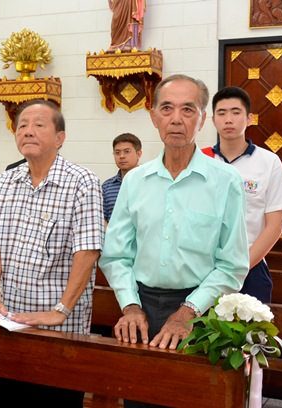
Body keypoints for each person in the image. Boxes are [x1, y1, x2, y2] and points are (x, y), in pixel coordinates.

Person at [99, 75, 249, 356]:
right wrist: (130, 306)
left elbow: (232, 265)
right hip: (139, 306)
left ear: (202, 120)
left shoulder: (225, 181)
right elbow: (116, 256)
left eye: (188, 109)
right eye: (167, 108)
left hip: (201, 309)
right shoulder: (135, 181)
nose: (176, 119)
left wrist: (187, 312)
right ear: (154, 117)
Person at [0, 100, 104, 407]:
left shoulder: (82, 182)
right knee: (9, 398)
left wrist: (61, 309)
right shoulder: (7, 180)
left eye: (38, 125)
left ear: (60, 138)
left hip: (58, 328)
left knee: (55, 401)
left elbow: (87, 251)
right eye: (22, 125)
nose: (28, 131)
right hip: (9, 320)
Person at [204, 86, 282, 303]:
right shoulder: (201, 160)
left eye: (236, 112)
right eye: (222, 113)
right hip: (204, 268)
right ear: (213, 120)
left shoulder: (268, 162)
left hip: (250, 267)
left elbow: (274, 226)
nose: (228, 120)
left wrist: (240, 267)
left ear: (249, 118)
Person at [102, 133, 142, 222]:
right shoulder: (107, 187)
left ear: (139, 154)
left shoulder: (149, 181)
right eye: (117, 152)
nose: (121, 156)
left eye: (127, 151)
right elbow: (102, 218)